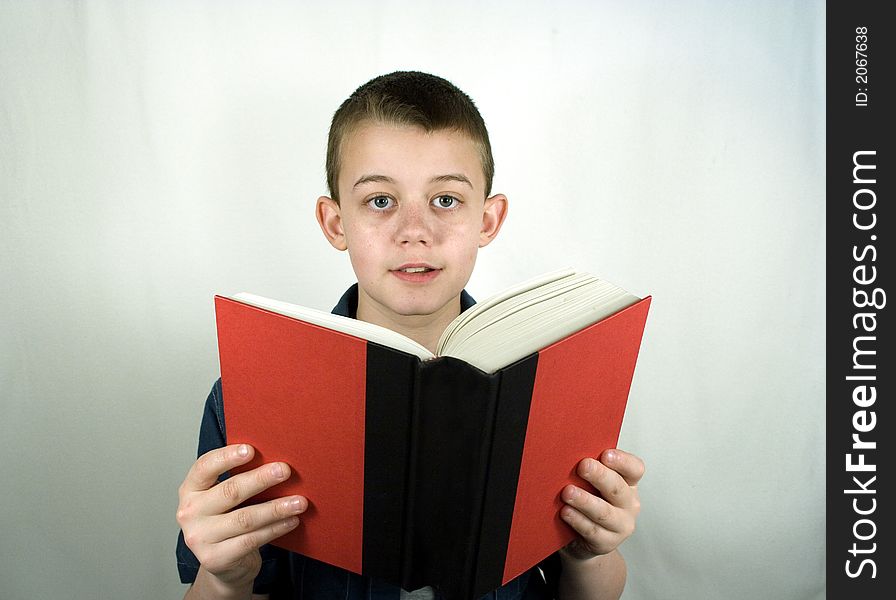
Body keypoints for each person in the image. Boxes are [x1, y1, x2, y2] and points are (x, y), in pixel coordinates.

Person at [176, 71, 644, 600]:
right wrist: (222, 577)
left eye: (446, 200)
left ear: (489, 220)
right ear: (335, 223)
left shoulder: (554, 382)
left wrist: (594, 553)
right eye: (380, 201)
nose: (414, 230)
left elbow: (590, 591)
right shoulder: (249, 397)